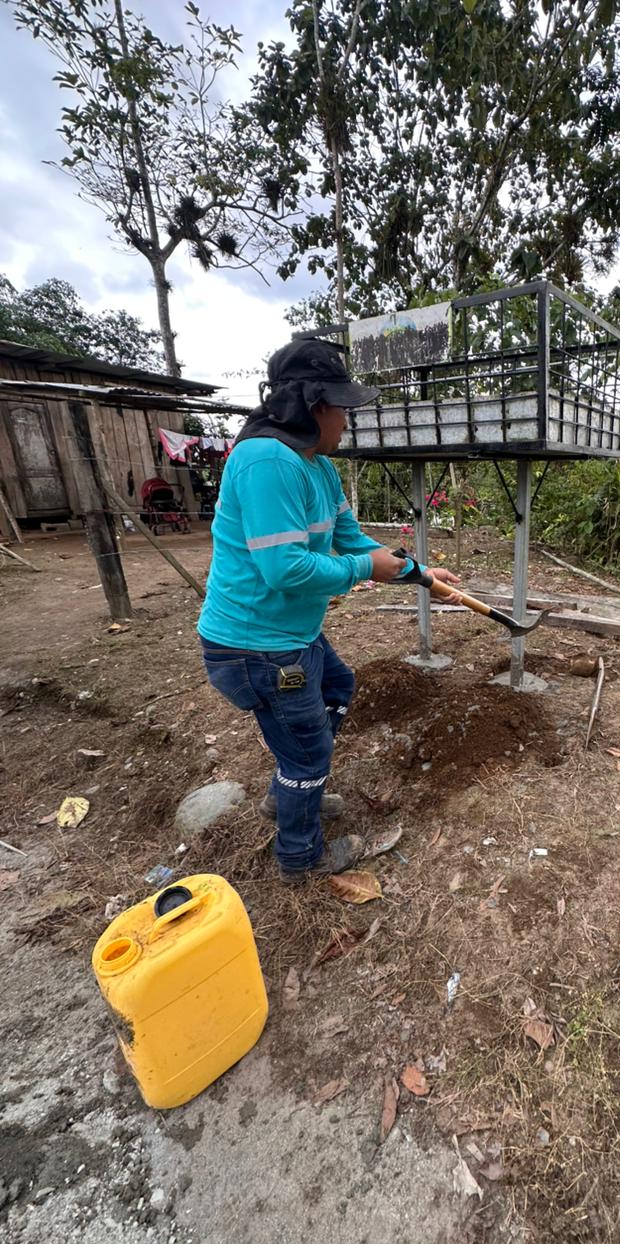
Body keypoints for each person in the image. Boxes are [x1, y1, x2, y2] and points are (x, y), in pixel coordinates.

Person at [197, 337, 460, 884]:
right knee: (308, 754)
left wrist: (421, 576)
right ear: (313, 405)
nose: (347, 420)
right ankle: (302, 857)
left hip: (291, 635)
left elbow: (353, 539)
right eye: (342, 408)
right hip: (256, 645)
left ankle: (290, 792)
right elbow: (284, 568)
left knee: (338, 687)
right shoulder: (266, 461)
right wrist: (365, 570)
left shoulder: (316, 467)